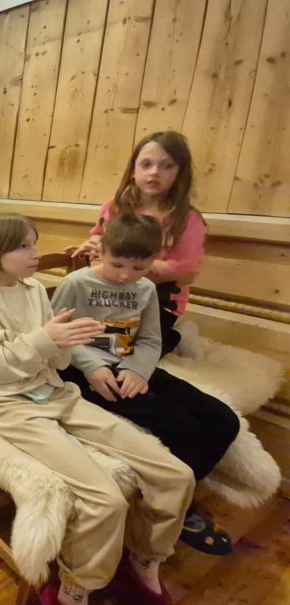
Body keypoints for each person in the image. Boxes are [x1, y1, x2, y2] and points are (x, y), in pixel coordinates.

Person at [0, 213, 195, 605]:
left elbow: (59, 359)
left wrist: (62, 342)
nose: (35, 253)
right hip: (5, 403)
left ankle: (144, 567)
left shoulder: (31, 292)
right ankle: (73, 593)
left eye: (34, 244)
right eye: (24, 247)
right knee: (104, 500)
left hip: (54, 394)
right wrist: (46, 340)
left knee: (174, 473)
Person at [51, 213, 239, 556]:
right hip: (84, 371)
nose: (125, 276)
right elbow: (56, 337)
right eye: (117, 264)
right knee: (183, 427)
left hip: (132, 365)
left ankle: (176, 503)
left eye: (137, 268)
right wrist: (93, 367)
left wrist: (138, 369)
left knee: (224, 419)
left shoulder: (146, 289)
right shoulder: (76, 284)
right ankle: (168, 512)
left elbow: (151, 340)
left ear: (153, 262)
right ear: (101, 251)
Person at [68, 131, 205, 357]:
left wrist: (122, 262)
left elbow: (186, 272)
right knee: (83, 334)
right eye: (146, 164)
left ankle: (177, 335)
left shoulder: (188, 219)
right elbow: (100, 237)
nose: (154, 172)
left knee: (121, 349)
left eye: (166, 166)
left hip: (157, 299)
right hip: (110, 290)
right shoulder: (115, 207)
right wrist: (92, 245)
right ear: (133, 170)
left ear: (180, 173)